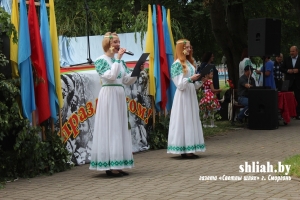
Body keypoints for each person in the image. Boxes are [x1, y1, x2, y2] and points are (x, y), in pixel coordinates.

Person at [89, 32, 139, 177]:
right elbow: (110, 76)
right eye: (115, 42)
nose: (118, 45)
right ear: (108, 44)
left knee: (119, 127)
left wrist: (136, 71)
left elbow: (126, 80)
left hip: (119, 95)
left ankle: (118, 163)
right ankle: (109, 165)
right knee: (110, 127)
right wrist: (118, 60)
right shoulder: (100, 61)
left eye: (118, 42)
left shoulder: (121, 62)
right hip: (108, 95)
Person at [167, 39, 206, 159]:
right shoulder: (176, 65)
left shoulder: (190, 64)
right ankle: (184, 148)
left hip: (190, 94)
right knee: (184, 119)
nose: (189, 49)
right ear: (181, 48)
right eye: (187, 47)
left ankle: (190, 147)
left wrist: (201, 80)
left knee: (191, 119)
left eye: (190, 47)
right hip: (182, 96)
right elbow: (179, 84)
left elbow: (192, 85)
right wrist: (190, 79)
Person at [280, 46, 300, 119]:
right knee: (287, 97)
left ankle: (298, 114)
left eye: (293, 51)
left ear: (297, 51)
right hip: (289, 82)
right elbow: (281, 68)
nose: (291, 53)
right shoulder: (287, 59)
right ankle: (288, 114)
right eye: (290, 51)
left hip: (298, 82)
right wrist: (288, 71)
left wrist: (298, 70)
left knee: (298, 98)